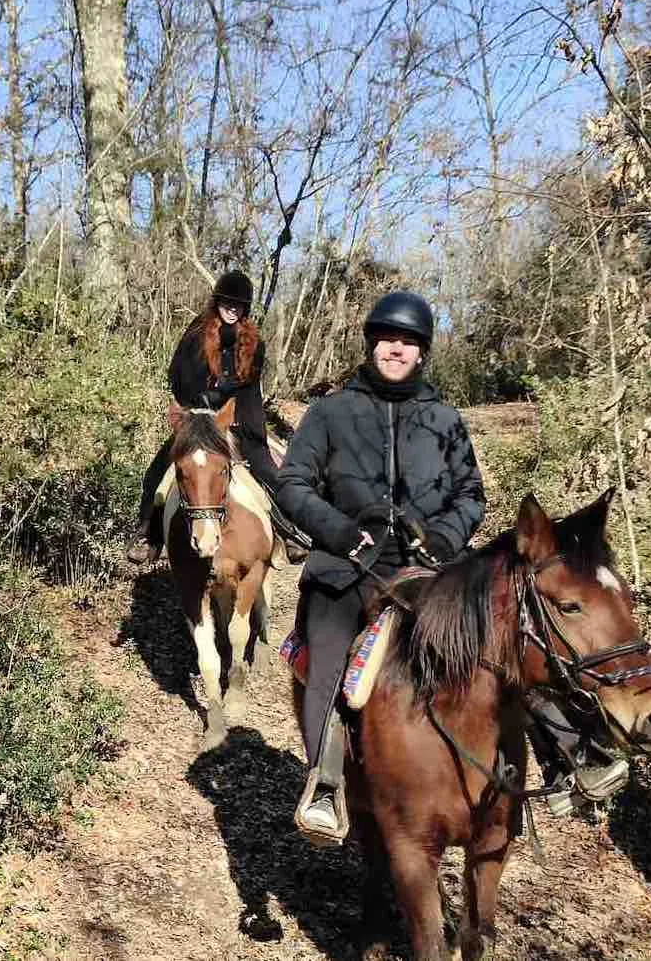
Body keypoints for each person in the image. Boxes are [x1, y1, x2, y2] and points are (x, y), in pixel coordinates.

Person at [276, 290, 486, 840]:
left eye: (408, 341)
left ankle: (560, 755)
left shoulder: (444, 420)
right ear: (372, 345)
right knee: (326, 653)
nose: (396, 349)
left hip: (427, 567)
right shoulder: (331, 412)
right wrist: (338, 532)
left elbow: (470, 493)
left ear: (422, 352)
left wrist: (444, 536)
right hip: (345, 565)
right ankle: (324, 783)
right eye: (388, 339)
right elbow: (292, 482)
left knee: (499, 643)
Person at [125, 270, 279, 565]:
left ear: (245, 308)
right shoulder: (197, 333)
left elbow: (249, 383)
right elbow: (178, 376)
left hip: (239, 416)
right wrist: (200, 397)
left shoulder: (254, 342)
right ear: (218, 302)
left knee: (268, 470)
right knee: (157, 474)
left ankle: (291, 530)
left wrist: (224, 392)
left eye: (239, 305)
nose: (232, 309)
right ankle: (150, 535)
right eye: (227, 303)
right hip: (198, 419)